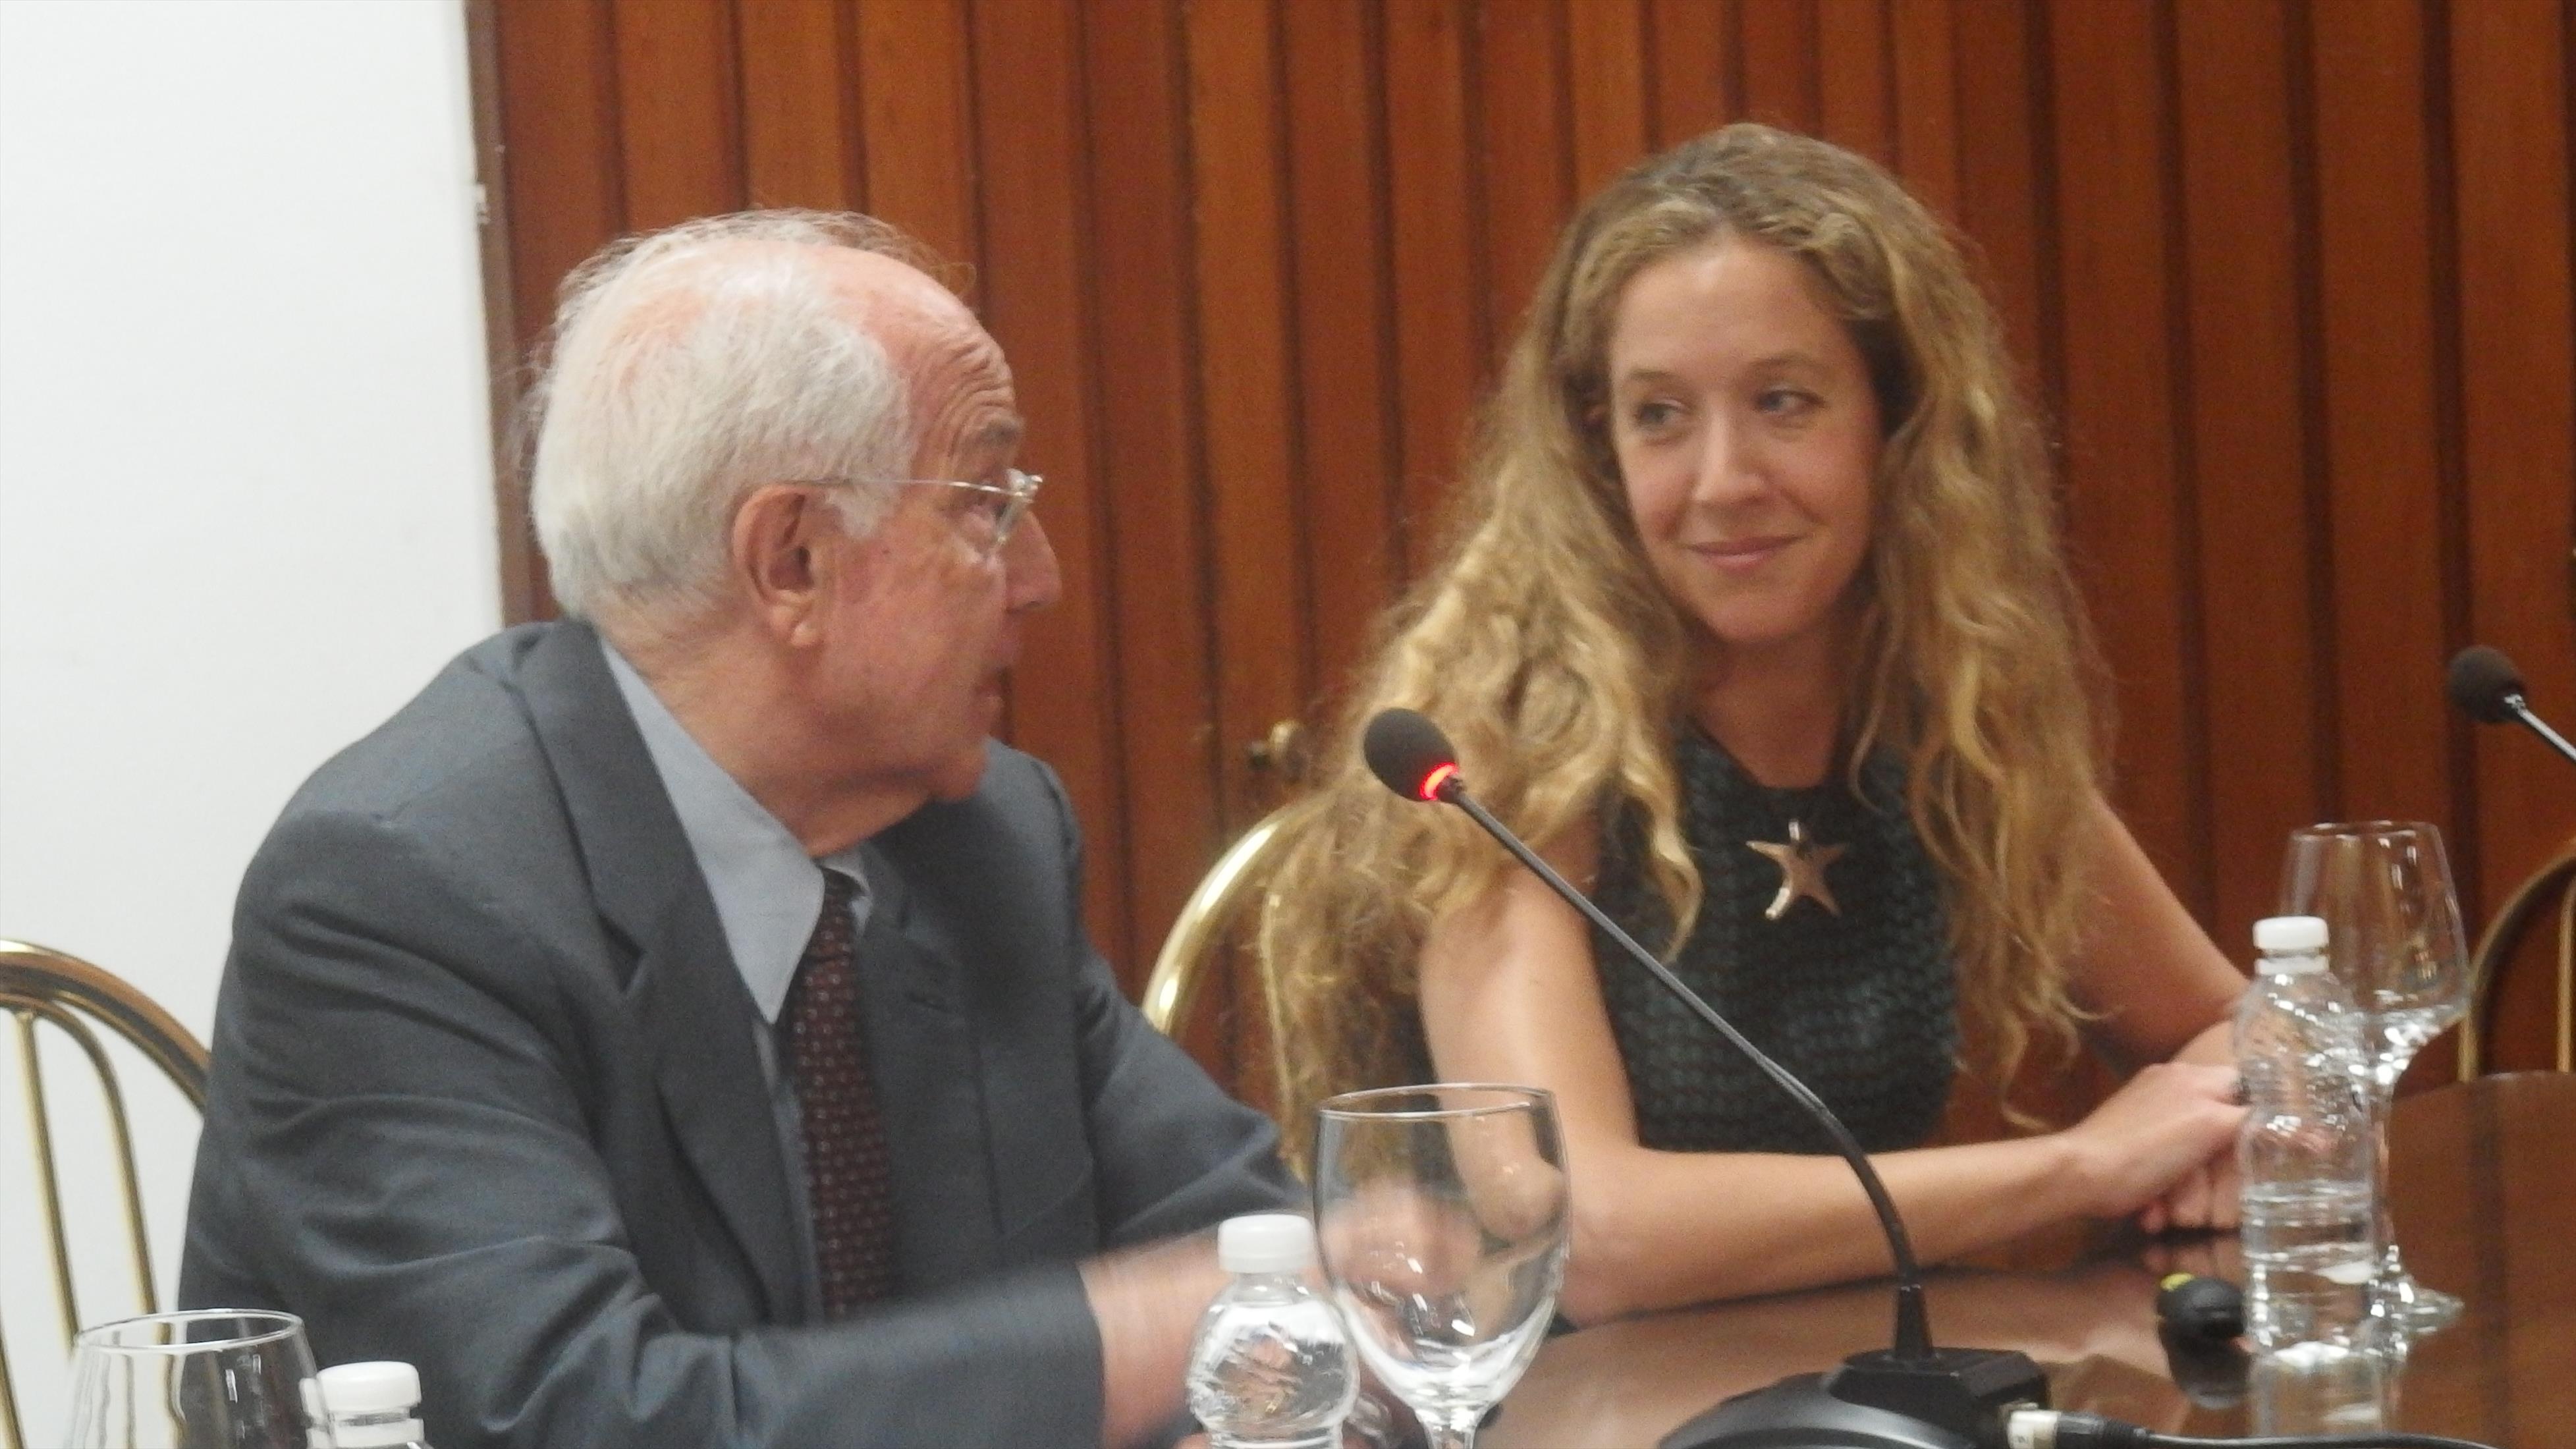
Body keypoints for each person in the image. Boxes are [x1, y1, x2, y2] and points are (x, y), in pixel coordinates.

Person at [180, 211, 1301, 1448]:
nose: (1039, 577)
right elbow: (568, 1418)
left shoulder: (984, 837)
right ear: (792, 559)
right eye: (986, 503)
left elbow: (1250, 1260)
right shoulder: (404, 894)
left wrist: (1269, 1364)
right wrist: (1118, 1351)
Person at [1261, 124, 2249, 1324]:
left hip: (1861, 1373)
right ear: (1598, 449)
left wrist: (2227, 1119)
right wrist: (2082, 1166)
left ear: (1897, 425)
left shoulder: (1944, 719)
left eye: (1784, 403)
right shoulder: (1515, 757)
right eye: (1660, 417)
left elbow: (2244, 1027)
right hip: (1565, 1398)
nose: (1724, 480)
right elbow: (1584, 1232)